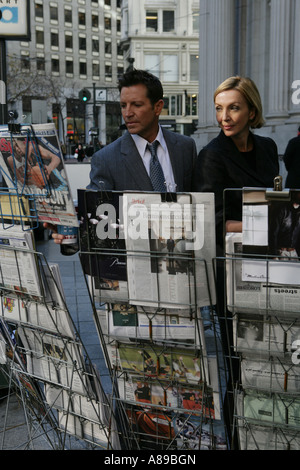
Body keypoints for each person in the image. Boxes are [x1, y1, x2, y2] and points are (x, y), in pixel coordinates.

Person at [46, 69, 197, 244]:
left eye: (136, 105)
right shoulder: (106, 159)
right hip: (133, 264)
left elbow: (199, 205)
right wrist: (70, 234)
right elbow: (96, 221)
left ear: (158, 107)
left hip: (183, 257)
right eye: (123, 105)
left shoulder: (185, 147)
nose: (127, 113)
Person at [194, 76, 279, 254]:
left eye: (234, 108)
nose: (224, 117)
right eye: (219, 109)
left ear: (252, 112)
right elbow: (210, 222)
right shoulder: (210, 156)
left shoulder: (268, 147)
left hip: (269, 250)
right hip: (231, 257)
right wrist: (264, 224)